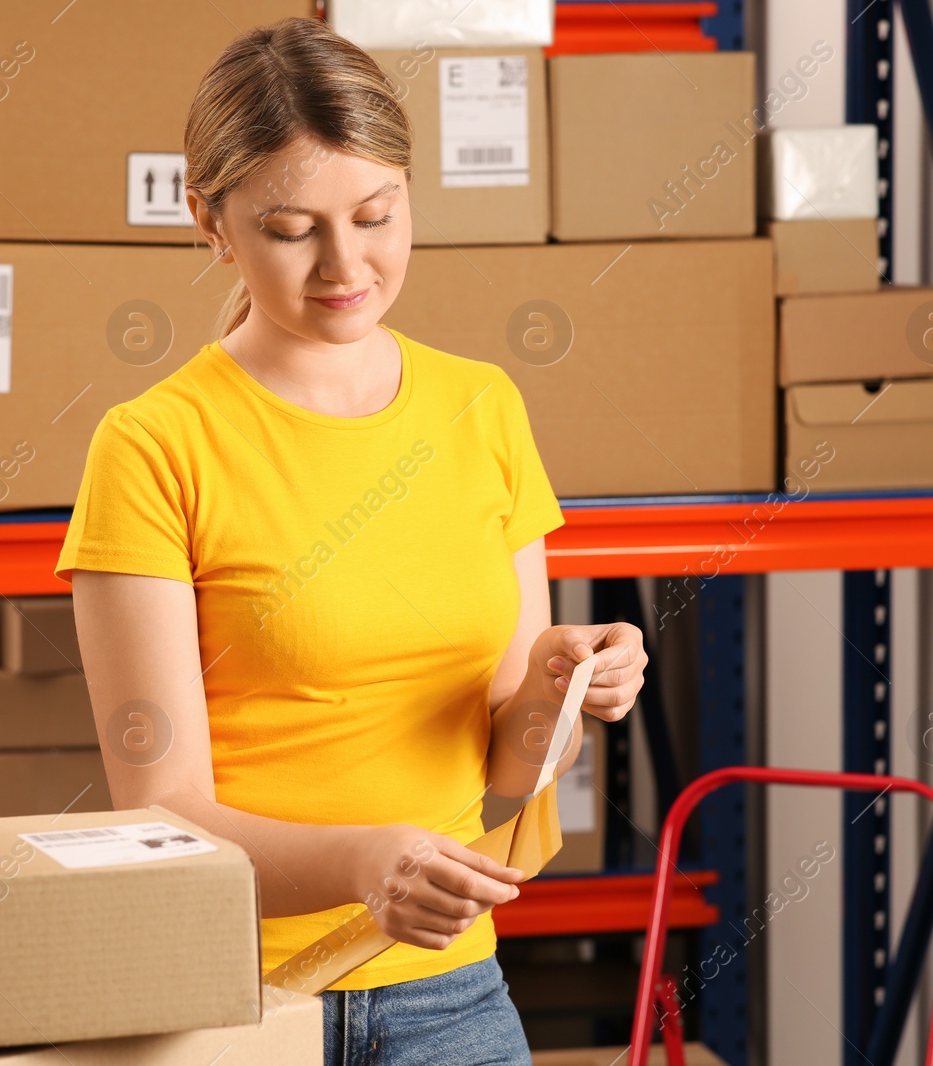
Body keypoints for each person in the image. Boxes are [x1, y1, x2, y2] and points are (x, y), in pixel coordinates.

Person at [56, 17, 647, 1066]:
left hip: (448, 992)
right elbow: (161, 812)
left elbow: (507, 781)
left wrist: (562, 695)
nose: (346, 264)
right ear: (211, 224)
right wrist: (364, 860)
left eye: (376, 215)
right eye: (291, 229)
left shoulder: (481, 409)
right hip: (230, 997)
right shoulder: (153, 447)